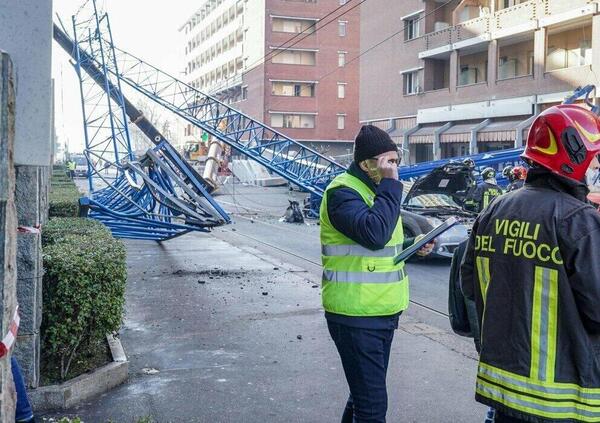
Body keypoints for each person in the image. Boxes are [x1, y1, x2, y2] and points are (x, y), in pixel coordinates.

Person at [461, 103, 600, 423]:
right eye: (592, 155)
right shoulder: (578, 221)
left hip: (503, 389)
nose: (594, 164)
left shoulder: (493, 210)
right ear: (573, 156)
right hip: (558, 396)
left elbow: (469, 284)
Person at [320, 125, 434, 423]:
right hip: (355, 315)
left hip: (381, 311)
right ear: (366, 163)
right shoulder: (342, 192)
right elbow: (374, 234)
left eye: (395, 162)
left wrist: (413, 245)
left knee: (362, 399)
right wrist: (391, 185)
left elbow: (381, 246)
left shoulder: (377, 192)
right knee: (372, 408)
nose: (392, 168)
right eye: (386, 162)